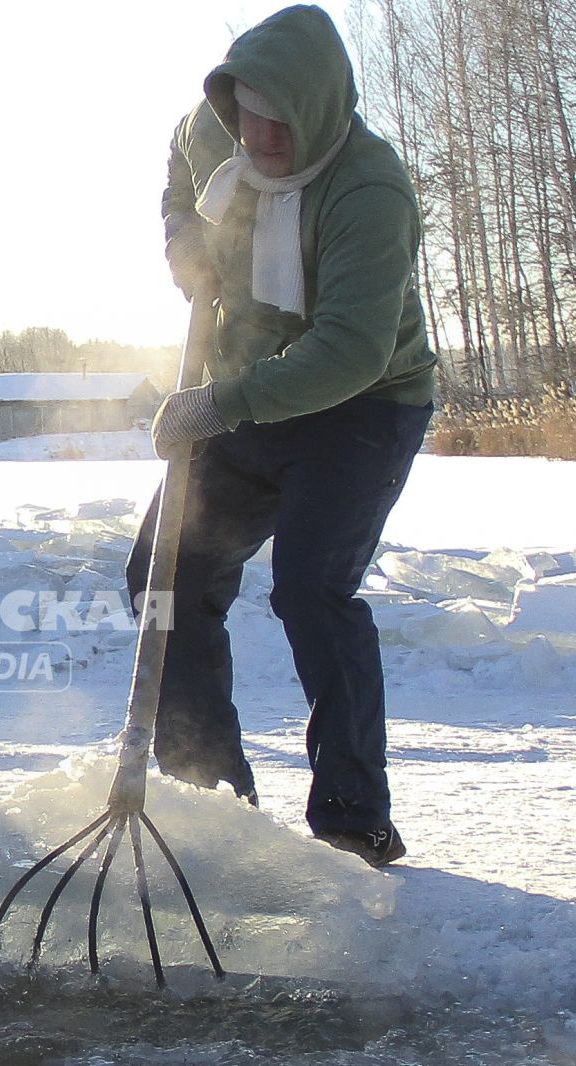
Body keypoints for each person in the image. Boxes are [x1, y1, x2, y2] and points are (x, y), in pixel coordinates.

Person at [137, 3, 438, 867]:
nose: (259, 136)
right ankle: (210, 799)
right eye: (246, 115)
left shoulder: (367, 189)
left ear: (318, 107)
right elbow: (177, 162)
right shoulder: (216, 129)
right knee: (165, 579)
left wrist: (218, 407)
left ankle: (353, 816)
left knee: (311, 588)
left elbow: (347, 350)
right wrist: (181, 231)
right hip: (247, 388)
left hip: (359, 406)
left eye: (279, 119)